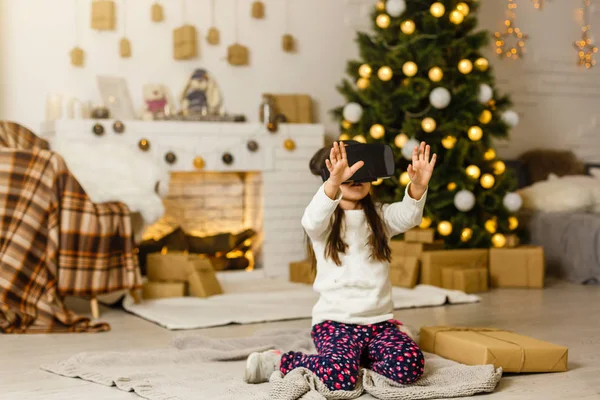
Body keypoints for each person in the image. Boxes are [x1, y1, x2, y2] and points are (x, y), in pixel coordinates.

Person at [244, 141, 437, 391]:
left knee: (409, 365)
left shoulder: (380, 217)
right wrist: (334, 183)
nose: (355, 178)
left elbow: (409, 216)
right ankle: (282, 360)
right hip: (335, 323)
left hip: (379, 323)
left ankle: (355, 357)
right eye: (348, 173)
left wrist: (418, 186)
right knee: (340, 378)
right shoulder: (323, 222)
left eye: (361, 172)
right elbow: (311, 220)